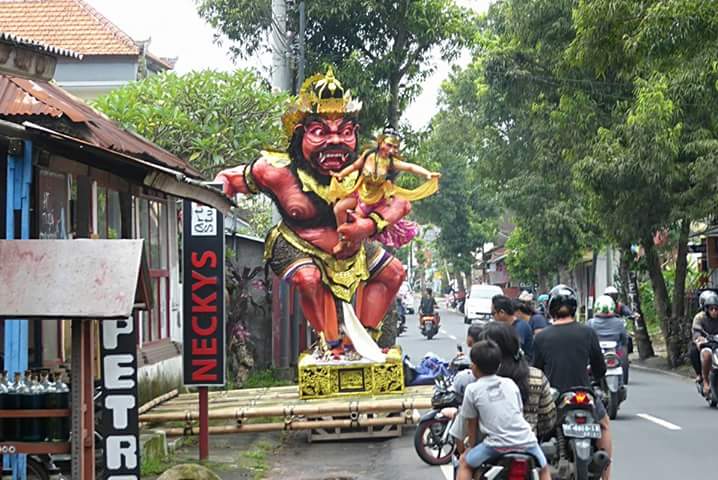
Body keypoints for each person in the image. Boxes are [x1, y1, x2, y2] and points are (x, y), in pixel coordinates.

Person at [533, 285, 612, 480]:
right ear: (574, 307)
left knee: (536, 430)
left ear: (550, 308)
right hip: (585, 394)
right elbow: (600, 369)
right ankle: (607, 477)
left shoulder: (541, 337)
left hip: (554, 398)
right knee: (604, 425)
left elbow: (536, 370)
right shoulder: (588, 333)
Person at [457, 340, 550, 480]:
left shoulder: (472, 389)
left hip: (496, 446)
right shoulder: (510, 383)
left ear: (473, 366)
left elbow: (472, 423)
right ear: (499, 365)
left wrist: (471, 447)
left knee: (464, 463)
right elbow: (519, 411)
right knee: (544, 469)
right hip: (527, 442)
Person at [479, 322, 556, 439]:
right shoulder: (537, 376)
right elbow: (548, 419)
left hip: (491, 444)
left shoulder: (482, 379)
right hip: (528, 443)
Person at [689, 290, 718, 396]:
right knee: (706, 355)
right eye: (712, 309)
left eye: (716, 309)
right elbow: (696, 332)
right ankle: (705, 381)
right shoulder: (699, 317)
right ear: (706, 309)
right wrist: (700, 339)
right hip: (707, 343)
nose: (714, 311)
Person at [492, 295, 533, 362]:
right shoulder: (505, 327)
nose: (493, 317)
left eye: (493, 313)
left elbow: (514, 350)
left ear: (502, 312)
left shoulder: (521, 326)